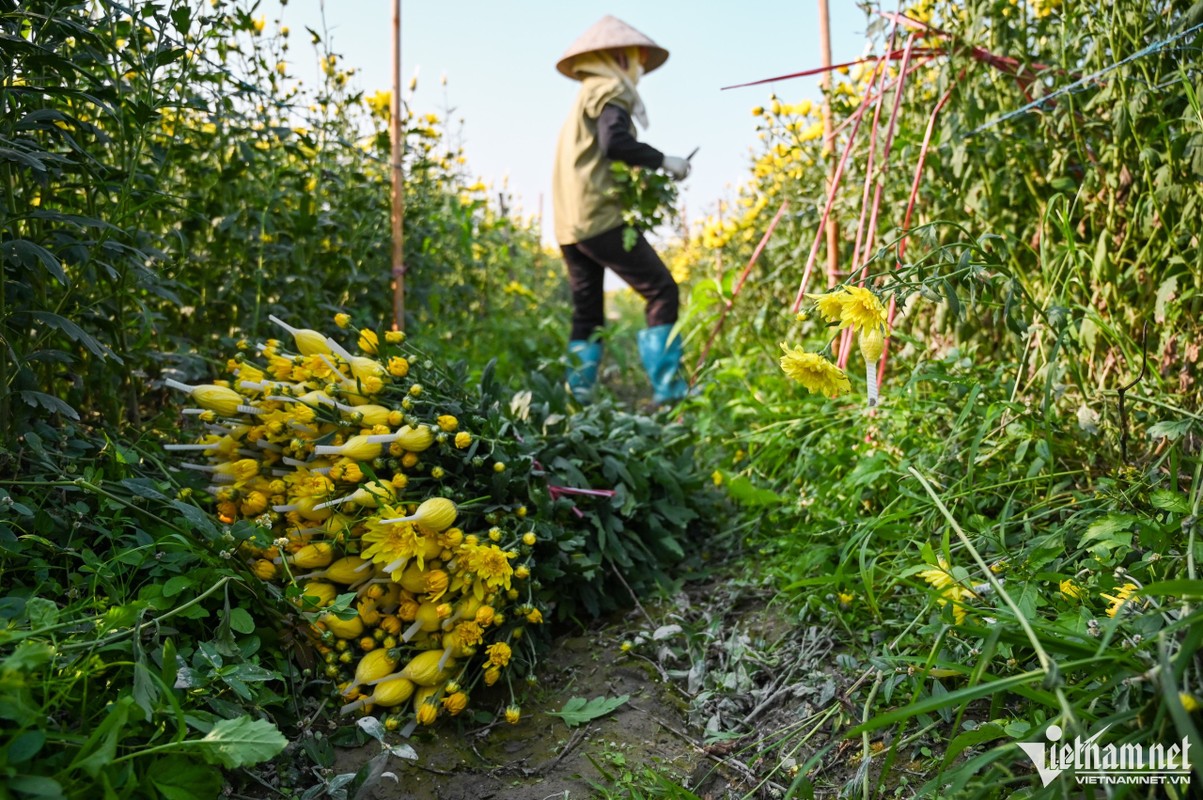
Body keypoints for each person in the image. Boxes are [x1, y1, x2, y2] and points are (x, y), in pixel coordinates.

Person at [552, 15, 693, 406]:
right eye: (636, 62)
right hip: (596, 215)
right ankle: (670, 396)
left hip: (568, 223)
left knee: (587, 315)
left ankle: (576, 402)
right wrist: (665, 161)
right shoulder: (609, 87)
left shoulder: (585, 92)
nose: (638, 73)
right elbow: (614, 142)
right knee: (661, 288)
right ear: (620, 57)